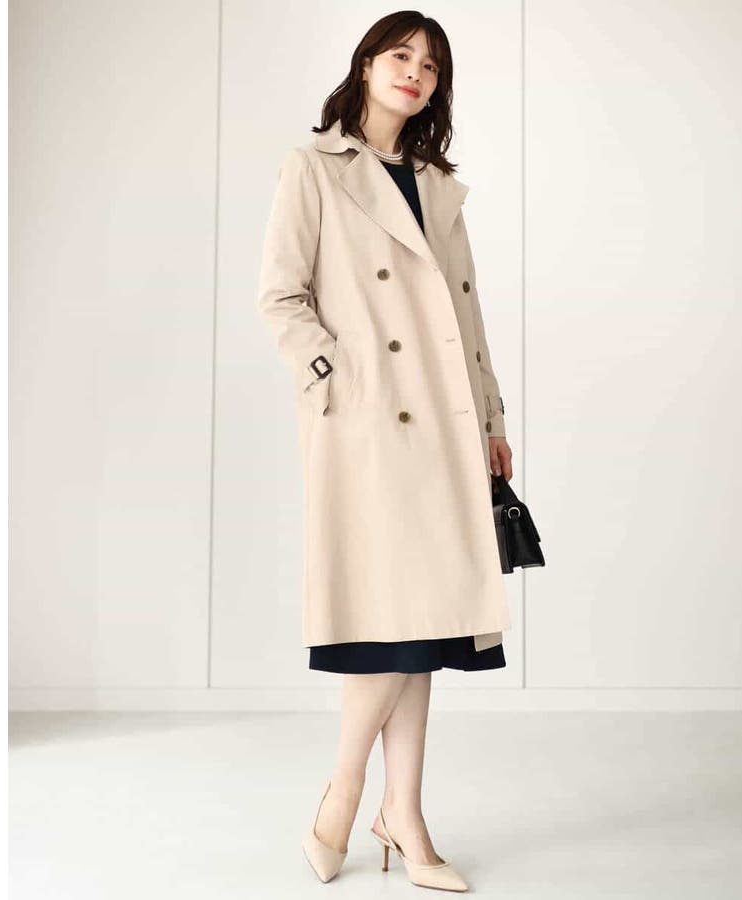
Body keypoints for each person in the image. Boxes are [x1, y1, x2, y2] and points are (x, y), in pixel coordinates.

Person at [257, 11, 513, 892]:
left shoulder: (437, 185)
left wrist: (492, 417)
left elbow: (466, 313)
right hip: (369, 424)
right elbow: (281, 296)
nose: (415, 73)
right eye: (400, 55)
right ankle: (347, 793)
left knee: (426, 620)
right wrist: (339, 382)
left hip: (443, 420)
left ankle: (401, 812)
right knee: (388, 617)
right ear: (366, 64)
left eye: (431, 66)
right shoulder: (315, 168)